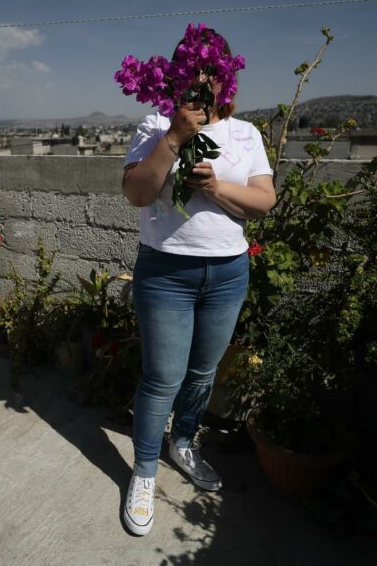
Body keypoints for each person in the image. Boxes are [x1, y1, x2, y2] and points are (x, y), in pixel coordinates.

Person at [120, 31, 277, 536]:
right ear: (178, 75)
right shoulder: (155, 125)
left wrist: (214, 186)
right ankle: (145, 471)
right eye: (195, 70)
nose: (204, 80)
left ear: (226, 77)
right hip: (167, 272)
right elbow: (137, 194)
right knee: (162, 377)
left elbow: (264, 201)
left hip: (227, 273)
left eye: (213, 70)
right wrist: (174, 139)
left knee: (203, 373)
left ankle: (183, 443)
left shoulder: (246, 134)